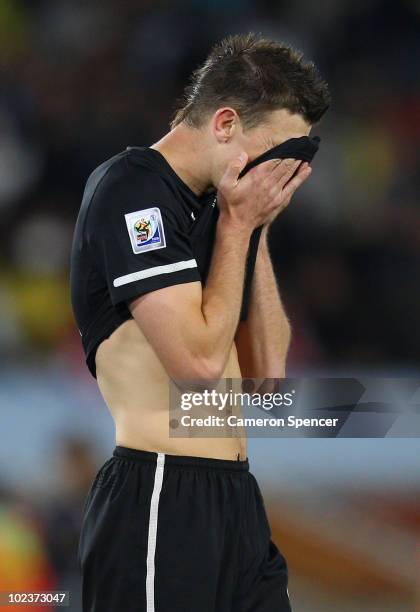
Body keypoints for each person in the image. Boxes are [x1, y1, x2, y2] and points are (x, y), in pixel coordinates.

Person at [70, 32, 330, 612]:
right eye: (275, 152)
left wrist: (253, 228)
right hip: (161, 493)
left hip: (236, 498)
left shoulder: (222, 210)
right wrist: (238, 227)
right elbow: (198, 366)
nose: (280, 173)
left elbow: (266, 385)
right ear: (226, 123)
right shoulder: (132, 189)